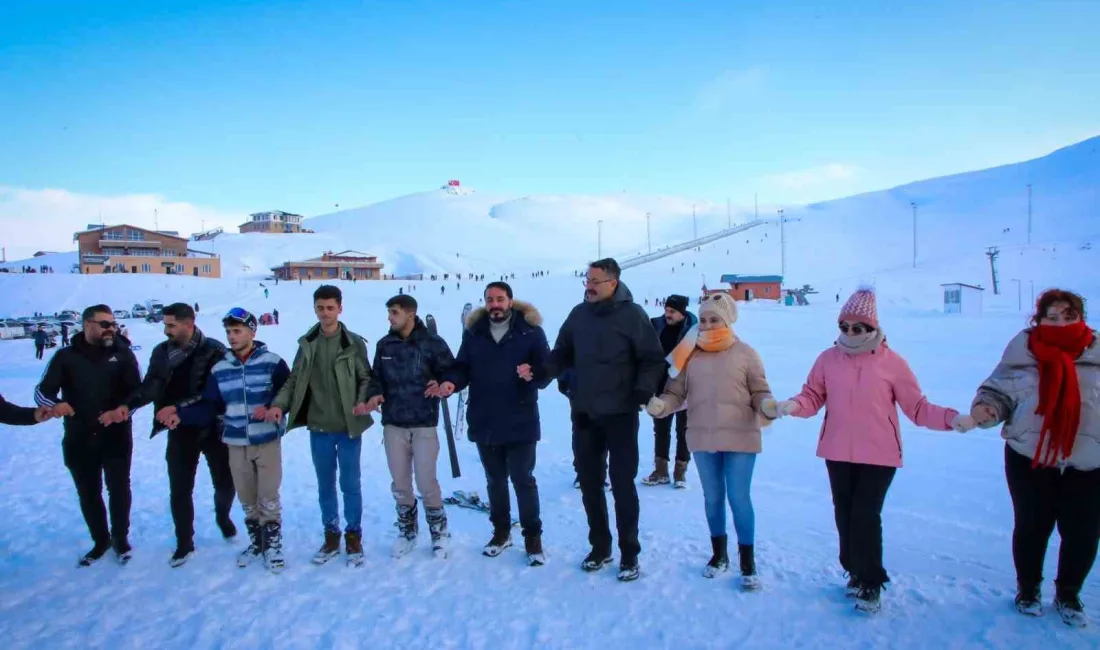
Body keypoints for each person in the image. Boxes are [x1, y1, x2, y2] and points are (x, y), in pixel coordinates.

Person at [768, 286, 967, 613]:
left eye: (858, 328)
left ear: (873, 328)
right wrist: (792, 405)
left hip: (879, 454)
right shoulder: (827, 359)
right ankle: (854, 571)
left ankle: (871, 581)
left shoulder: (892, 363)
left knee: (864, 515)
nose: (850, 333)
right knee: (844, 514)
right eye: (844, 326)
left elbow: (918, 408)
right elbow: (812, 396)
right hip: (837, 450)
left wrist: (952, 419)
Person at [967, 289, 1100, 628]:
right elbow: (997, 393)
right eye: (1051, 317)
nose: (1060, 323)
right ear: (1038, 320)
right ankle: (1028, 590)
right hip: (1029, 457)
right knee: (1032, 527)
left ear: (1080, 318)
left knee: (1083, 532)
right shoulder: (1022, 354)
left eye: (1068, 316)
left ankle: (1068, 593)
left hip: (1088, 462)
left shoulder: (1096, 355)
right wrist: (987, 409)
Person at [540, 258, 665, 581]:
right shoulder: (579, 314)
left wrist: (642, 391)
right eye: (586, 280)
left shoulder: (632, 315)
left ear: (613, 283)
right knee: (590, 483)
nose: (589, 286)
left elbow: (652, 359)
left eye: (595, 281)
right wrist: (546, 372)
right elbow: (562, 352)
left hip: (621, 413)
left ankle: (629, 553)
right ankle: (600, 547)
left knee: (623, 485)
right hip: (584, 412)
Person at [647, 293, 773, 589]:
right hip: (703, 436)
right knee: (712, 498)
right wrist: (662, 406)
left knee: (739, 499)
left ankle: (747, 561)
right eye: (703, 320)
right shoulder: (690, 354)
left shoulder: (746, 353)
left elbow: (760, 391)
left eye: (714, 319)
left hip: (740, 437)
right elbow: (675, 392)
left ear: (727, 320)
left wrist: (767, 405)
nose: (707, 324)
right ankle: (719, 556)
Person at [102, 303, 236, 567]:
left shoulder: (215, 350)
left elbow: (214, 394)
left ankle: (223, 515)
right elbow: (152, 385)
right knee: (179, 488)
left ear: (189, 324)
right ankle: (184, 543)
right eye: (165, 325)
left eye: (171, 325)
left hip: (213, 428)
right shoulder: (162, 352)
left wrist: (178, 408)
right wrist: (127, 406)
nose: (166, 331)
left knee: (225, 483)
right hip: (178, 429)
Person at [169, 308, 291, 572]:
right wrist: (181, 415)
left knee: (268, 496)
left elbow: (288, 393)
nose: (232, 337)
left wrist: (275, 408)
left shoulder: (272, 362)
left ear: (252, 332)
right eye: (228, 332)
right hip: (235, 443)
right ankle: (257, 543)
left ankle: (273, 546)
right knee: (247, 497)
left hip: (267, 440)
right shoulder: (221, 368)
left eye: (237, 331)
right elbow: (211, 404)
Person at [440, 282, 552, 565]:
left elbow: (547, 370)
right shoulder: (474, 333)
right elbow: (462, 367)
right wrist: (452, 382)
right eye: (490, 300)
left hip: (521, 419)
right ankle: (501, 532)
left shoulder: (530, 332)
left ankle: (532, 538)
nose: (495, 305)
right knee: (495, 481)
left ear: (510, 302)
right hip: (485, 418)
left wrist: (534, 373)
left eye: (500, 299)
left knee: (523, 480)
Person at [269, 285, 374, 567]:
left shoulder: (353, 343)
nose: (325, 313)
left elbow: (366, 377)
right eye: (320, 308)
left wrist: (363, 401)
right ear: (315, 309)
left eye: (330, 308)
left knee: (350, 484)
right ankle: (331, 535)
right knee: (325, 485)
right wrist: (279, 405)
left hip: (348, 426)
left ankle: (353, 535)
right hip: (319, 427)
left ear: (340, 308)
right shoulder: (307, 344)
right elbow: (293, 380)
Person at [34, 305, 142, 566]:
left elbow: (138, 393)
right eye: (104, 324)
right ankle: (100, 540)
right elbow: (42, 391)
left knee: (118, 487)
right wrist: (55, 404)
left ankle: (120, 538)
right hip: (78, 436)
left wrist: (123, 410)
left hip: (116, 434)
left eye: (113, 324)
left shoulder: (123, 354)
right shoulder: (65, 356)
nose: (111, 329)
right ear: (86, 325)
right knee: (88, 491)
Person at [364, 294, 456, 559]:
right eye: (389, 312)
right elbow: (376, 377)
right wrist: (375, 394)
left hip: (424, 422)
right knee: (401, 483)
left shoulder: (432, 343)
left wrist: (444, 384)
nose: (390, 317)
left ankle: (439, 531)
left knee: (427, 481)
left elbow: (452, 371)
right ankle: (407, 530)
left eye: (394, 312)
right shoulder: (385, 345)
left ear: (410, 315)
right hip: (394, 423)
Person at [642, 294, 697, 488]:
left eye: (672, 312)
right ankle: (661, 470)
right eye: (666, 310)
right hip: (660, 387)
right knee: (661, 430)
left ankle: (680, 472)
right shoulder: (656, 326)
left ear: (682, 313)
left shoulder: (695, 331)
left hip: (686, 388)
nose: (667, 315)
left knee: (684, 430)